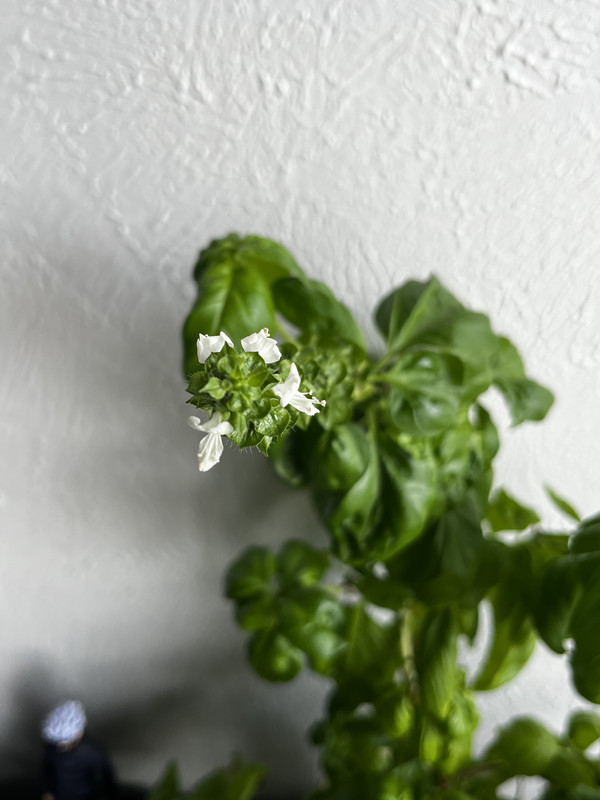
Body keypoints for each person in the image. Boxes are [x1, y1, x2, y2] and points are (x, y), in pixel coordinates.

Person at [40, 700, 117, 800]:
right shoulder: (51, 747)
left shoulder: (93, 752)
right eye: (58, 743)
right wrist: (47, 792)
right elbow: (46, 768)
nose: (62, 747)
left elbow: (106, 780)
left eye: (66, 742)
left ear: (79, 734)